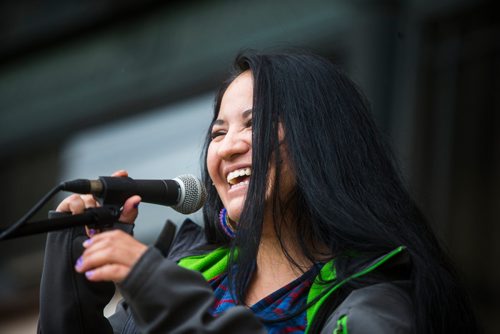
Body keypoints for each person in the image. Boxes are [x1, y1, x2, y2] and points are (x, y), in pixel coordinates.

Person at [38, 50, 479, 333]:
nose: (229, 146)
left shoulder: (373, 305)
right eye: (219, 131)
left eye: (256, 123)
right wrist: (71, 286)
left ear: (321, 142)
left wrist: (157, 286)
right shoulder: (193, 275)